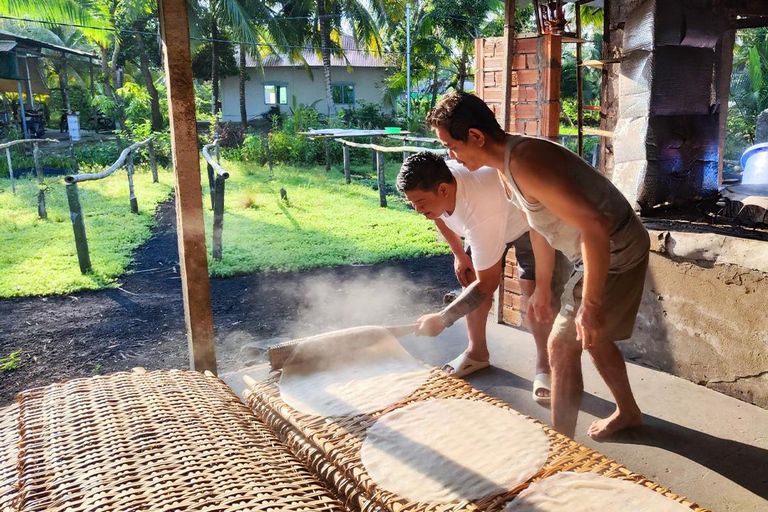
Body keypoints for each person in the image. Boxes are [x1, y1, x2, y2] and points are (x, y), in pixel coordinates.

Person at [416, 92, 650, 441]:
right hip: (600, 248)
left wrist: (591, 303)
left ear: (476, 137)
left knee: (562, 344)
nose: (451, 155)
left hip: (614, 249)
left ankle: (562, 449)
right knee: (589, 336)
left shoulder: (526, 164)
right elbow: (539, 225)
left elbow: (596, 227)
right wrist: (543, 286)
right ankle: (628, 411)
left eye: (452, 145)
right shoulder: (508, 166)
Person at [397, 152, 555, 403]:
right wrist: (459, 253)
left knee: (533, 295)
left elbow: (488, 284)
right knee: (470, 277)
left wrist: (443, 319)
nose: (418, 210)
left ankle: (544, 367)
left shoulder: (480, 210)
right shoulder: (441, 182)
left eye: (421, 202)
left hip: (524, 227)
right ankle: (477, 353)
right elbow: (437, 215)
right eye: (413, 203)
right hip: (483, 226)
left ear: (443, 190)